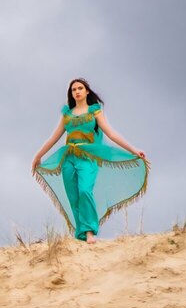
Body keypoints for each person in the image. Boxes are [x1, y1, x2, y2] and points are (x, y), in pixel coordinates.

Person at [31, 78, 149, 243]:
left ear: (87, 91)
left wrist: (133, 149)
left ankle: (89, 232)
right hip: (68, 158)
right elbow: (54, 137)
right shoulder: (67, 114)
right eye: (74, 90)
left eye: (80, 88)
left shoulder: (95, 111)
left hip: (87, 157)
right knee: (74, 196)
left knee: (85, 190)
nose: (77, 91)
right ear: (71, 94)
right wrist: (38, 155)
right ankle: (81, 234)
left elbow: (111, 133)